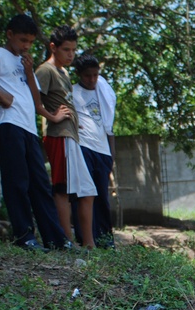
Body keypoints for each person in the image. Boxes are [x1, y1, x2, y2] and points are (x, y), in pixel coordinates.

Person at [0, 14, 69, 251]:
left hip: (29, 129)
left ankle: (56, 240)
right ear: (9, 35)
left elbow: (37, 102)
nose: (26, 45)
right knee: (17, 182)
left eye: (29, 41)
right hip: (9, 126)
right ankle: (24, 237)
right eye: (22, 40)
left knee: (40, 184)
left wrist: (29, 72)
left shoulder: (24, 61)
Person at [36, 25, 97, 249]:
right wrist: (52, 117)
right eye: (66, 50)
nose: (71, 54)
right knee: (62, 190)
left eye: (73, 50)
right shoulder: (46, 70)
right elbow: (34, 99)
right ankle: (66, 242)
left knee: (87, 190)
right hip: (57, 136)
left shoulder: (63, 72)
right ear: (53, 47)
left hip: (71, 136)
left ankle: (89, 244)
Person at [72, 54, 117, 249]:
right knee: (84, 195)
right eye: (87, 76)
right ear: (79, 74)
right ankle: (85, 238)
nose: (91, 80)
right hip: (83, 147)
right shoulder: (72, 93)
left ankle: (105, 240)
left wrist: (111, 157)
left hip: (102, 150)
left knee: (102, 198)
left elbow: (109, 128)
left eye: (95, 75)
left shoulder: (103, 92)